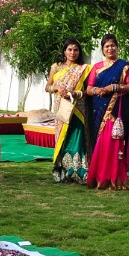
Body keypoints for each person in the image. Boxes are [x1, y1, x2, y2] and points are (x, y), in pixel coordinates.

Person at [85, 33, 129, 190]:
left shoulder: (124, 67)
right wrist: (97, 90)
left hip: (116, 112)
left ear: (117, 47)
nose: (110, 48)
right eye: (106, 46)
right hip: (98, 110)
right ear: (102, 49)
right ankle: (99, 177)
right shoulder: (96, 67)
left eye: (112, 45)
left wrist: (114, 87)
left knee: (112, 142)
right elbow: (88, 88)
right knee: (100, 143)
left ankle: (114, 178)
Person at [46, 38, 91, 183]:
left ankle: (79, 172)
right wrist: (57, 88)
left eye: (76, 50)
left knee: (77, 137)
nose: (73, 53)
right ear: (64, 51)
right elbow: (47, 87)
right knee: (62, 138)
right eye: (70, 49)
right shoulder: (56, 67)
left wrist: (76, 93)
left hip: (77, 108)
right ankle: (63, 171)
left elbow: (88, 90)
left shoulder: (84, 68)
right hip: (61, 109)